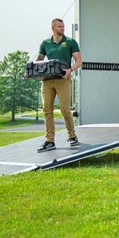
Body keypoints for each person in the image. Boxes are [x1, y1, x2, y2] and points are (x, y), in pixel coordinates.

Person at [35, 18, 82, 152]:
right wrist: (31, 69)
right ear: (53, 28)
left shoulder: (70, 42)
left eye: (63, 26)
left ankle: (72, 136)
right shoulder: (45, 43)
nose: (62, 28)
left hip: (63, 79)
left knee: (64, 109)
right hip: (47, 80)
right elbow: (38, 60)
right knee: (47, 110)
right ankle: (50, 141)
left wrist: (70, 70)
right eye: (60, 27)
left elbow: (79, 61)